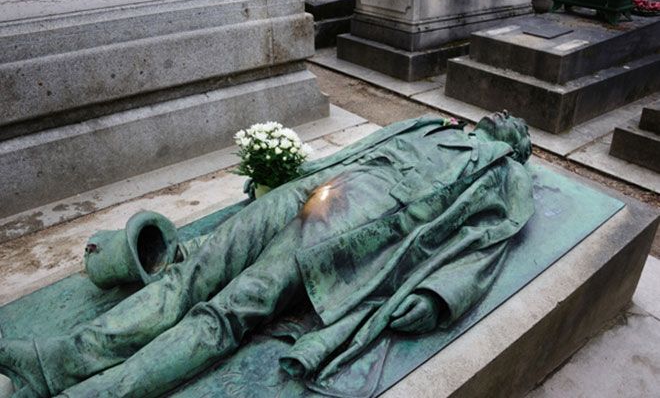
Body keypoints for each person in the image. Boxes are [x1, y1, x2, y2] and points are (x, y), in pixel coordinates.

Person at [0, 112, 535, 398]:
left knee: (231, 310)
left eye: (518, 123)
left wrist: (439, 295)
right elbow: (355, 152)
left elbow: (489, 243)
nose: (506, 115)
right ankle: (60, 361)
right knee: (194, 273)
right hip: (322, 188)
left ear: (519, 145)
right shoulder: (428, 123)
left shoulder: (504, 172)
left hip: (354, 223)